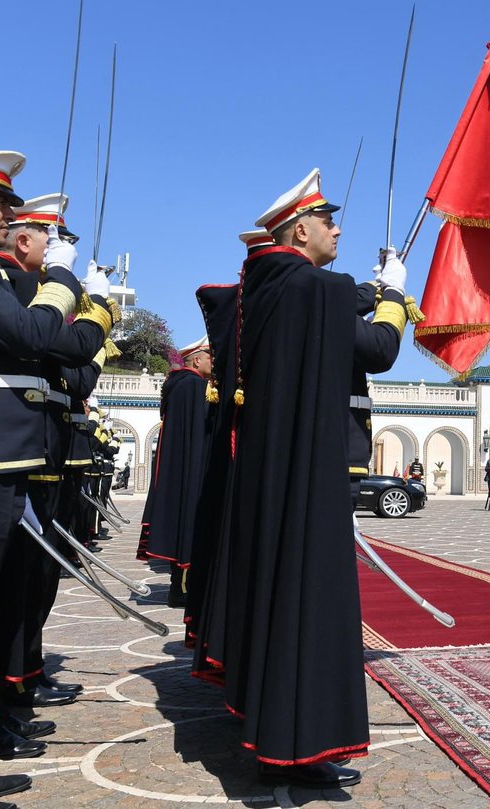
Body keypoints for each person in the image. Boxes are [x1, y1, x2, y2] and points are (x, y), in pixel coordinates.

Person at [190, 168, 408, 789]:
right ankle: (297, 740)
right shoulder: (312, 289)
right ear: (302, 229)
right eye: (330, 222)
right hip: (308, 475)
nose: (338, 230)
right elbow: (379, 350)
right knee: (308, 599)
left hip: (266, 471)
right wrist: (393, 295)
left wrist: (364, 288)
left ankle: (266, 724)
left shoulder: (262, 289)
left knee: (273, 593)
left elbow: (337, 300)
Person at [0, 150, 86, 799]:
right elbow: (35, 334)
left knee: (3, 602)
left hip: (10, 452)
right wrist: (70, 285)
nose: (11, 215)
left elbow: (76, 364)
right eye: (0, 200)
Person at [137, 337, 214, 608]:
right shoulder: (194, 386)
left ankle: (181, 584)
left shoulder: (180, 385)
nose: (213, 363)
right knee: (190, 522)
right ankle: (181, 588)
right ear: (196, 359)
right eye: (209, 358)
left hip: (181, 465)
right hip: (192, 466)